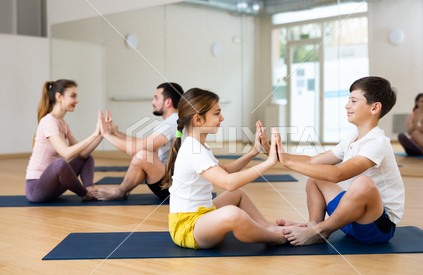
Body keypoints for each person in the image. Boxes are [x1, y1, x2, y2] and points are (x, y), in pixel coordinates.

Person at [274, 76, 405, 246]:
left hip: (376, 228)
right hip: (349, 219)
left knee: (363, 183)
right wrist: (276, 153)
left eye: (353, 101)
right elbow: (314, 161)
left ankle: (321, 230)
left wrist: (288, 163)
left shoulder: (377, 142)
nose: (347, 105)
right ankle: (314, 225)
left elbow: (338, 174)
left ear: (374, 108)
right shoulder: (352, 137)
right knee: (316, 178)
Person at [162, 88, 286, 249]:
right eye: (216, 113)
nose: (222, 118)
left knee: (237, 194)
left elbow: (225, 172)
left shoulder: (199, 145)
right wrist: (269, 162)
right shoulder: (193, 149)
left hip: (202, 215)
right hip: (187, 228)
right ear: (198, 120)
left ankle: (268, 227)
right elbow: (228, 183)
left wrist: (254, 151)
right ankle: (276, 237)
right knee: (232, 213)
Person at [96, 82, 184, 200]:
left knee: (143, 155)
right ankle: (121, 191)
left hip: (173, 188)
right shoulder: (175, 120)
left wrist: (106, 134)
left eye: (156, 98)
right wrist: (115, 133)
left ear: (168, 102)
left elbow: (139, 148)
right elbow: (145, 142)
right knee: (148, 151)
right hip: (173, 182)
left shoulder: (172, 123)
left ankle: (119, 192)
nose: (153, 102)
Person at [25, 79, 103, 202]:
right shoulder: (48, 121)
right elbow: (66, 154)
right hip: (37, 188)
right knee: (59, 164)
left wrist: (101, 134)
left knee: (87, 157)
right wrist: (94, 135)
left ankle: (90, 189)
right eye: (73, 96)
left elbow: (83, 152)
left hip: (55, 186)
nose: (76, 101)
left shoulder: (63, 123)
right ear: (59, 97)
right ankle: (85, 193)